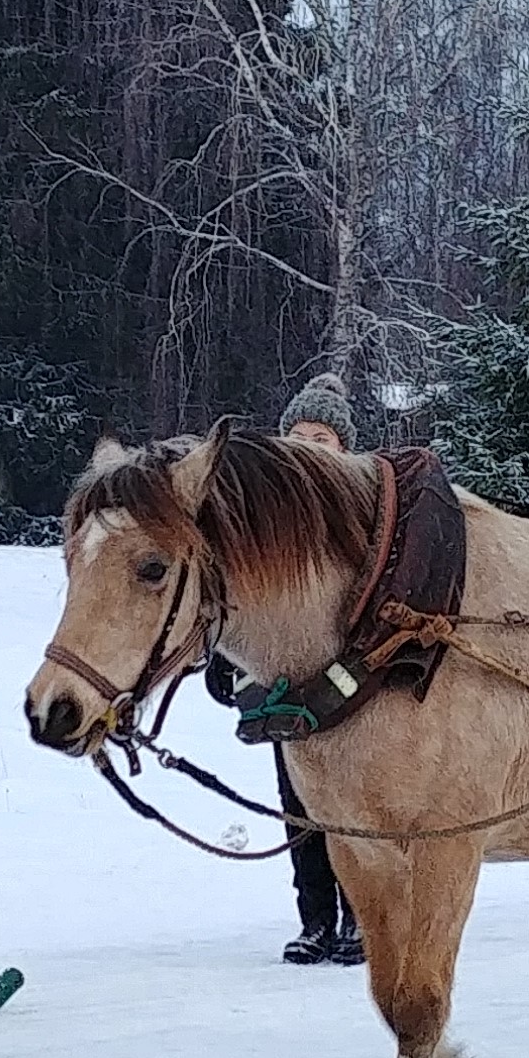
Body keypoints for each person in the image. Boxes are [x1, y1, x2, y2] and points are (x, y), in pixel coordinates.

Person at [202, 375, 366, 966]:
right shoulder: (265, 521)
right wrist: (226, 660)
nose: (307, 446)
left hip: (351, 689)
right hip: (282, 688)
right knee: (297, 807)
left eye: (320, 437)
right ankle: (316, 920)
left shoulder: (360, 512)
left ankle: (359, 918)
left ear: (343, 448)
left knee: (349, 807)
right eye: (297, 435)